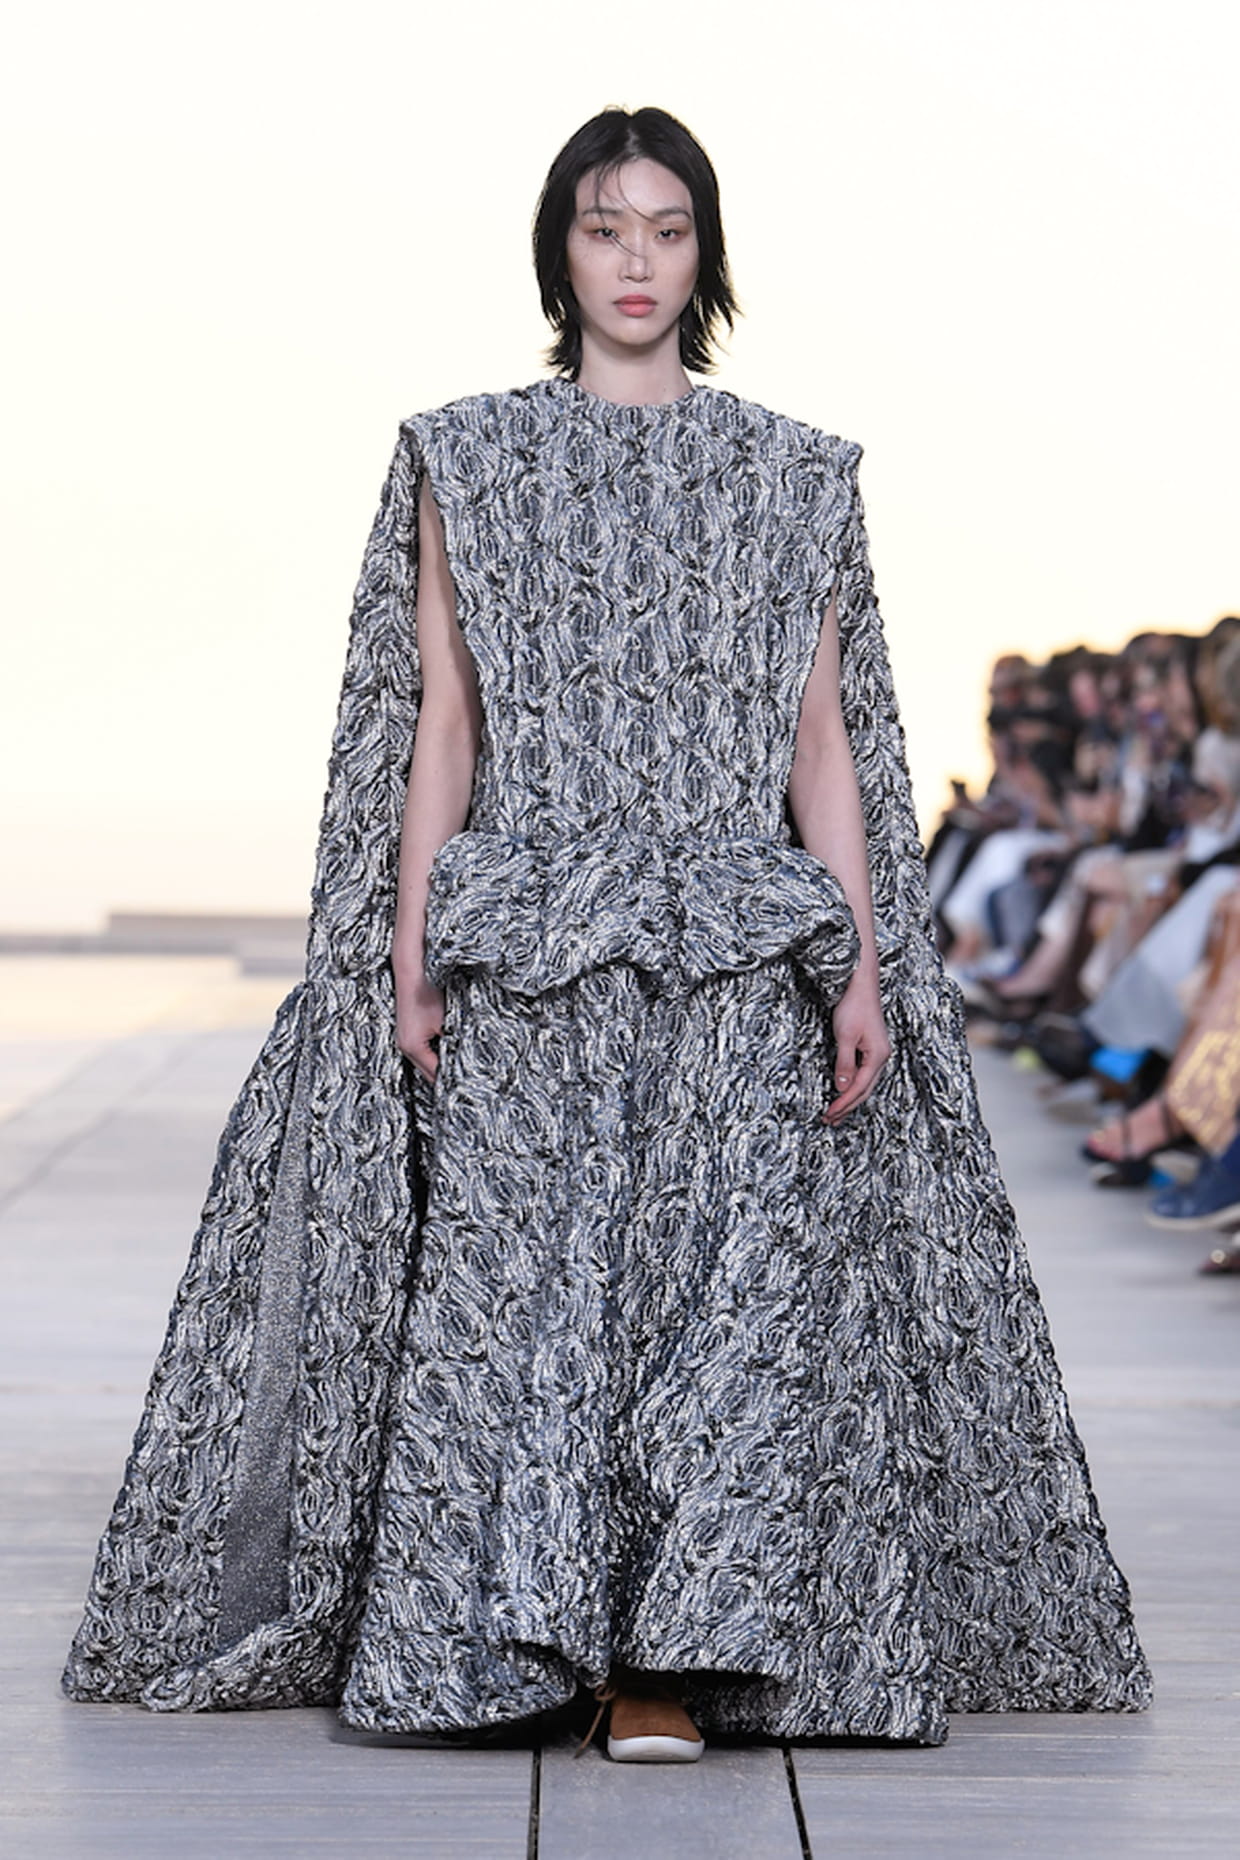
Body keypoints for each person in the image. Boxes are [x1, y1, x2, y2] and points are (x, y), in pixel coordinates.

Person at [63, 106, 1151, 1761]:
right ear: (557, 250)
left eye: (666, 227)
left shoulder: (794, 471)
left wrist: (861, 967)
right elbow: (442, 727)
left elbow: (824, 745)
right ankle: (521, 1644)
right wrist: (410, 953)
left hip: (735, 952)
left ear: (706, 253)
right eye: (603, 226)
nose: (635, 260)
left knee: (725, 1303)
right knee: (527, 1303)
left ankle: (668, 1664)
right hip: (529, 950)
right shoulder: (465, 456)